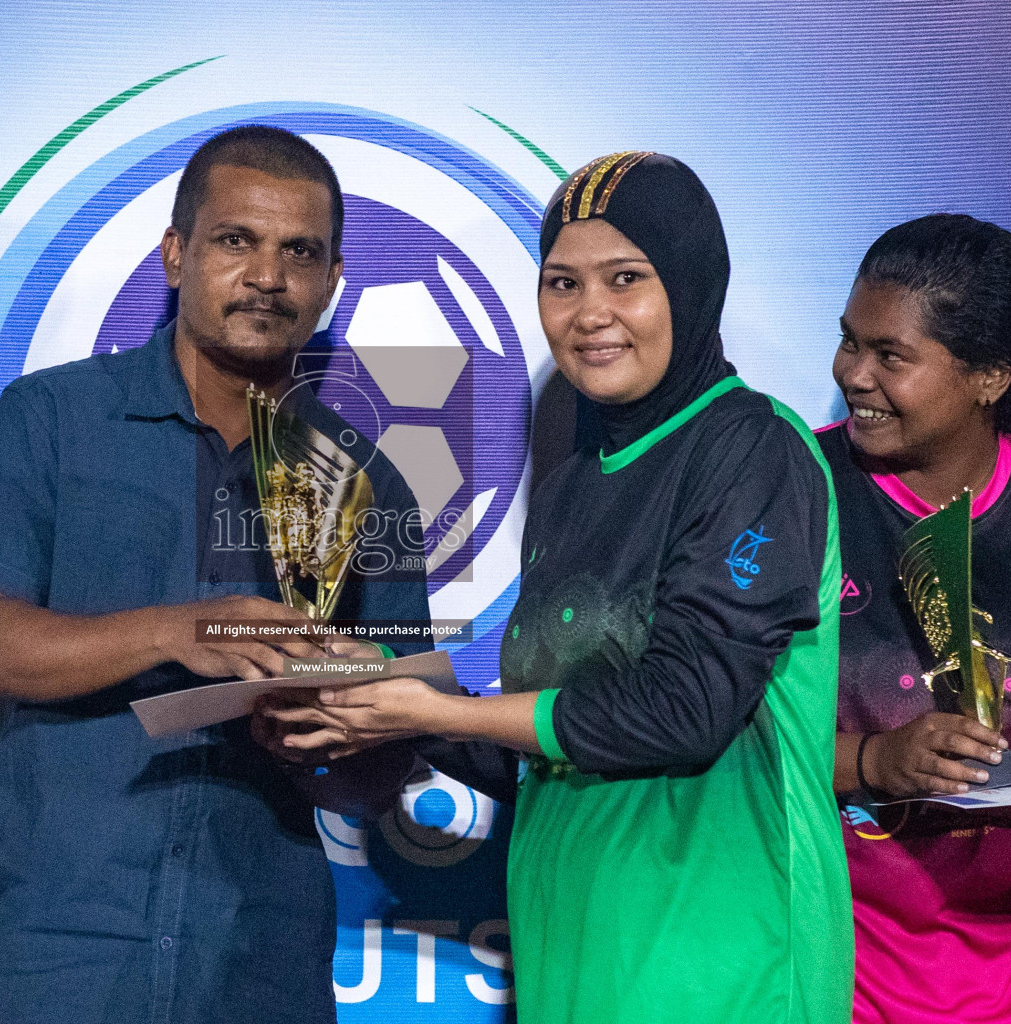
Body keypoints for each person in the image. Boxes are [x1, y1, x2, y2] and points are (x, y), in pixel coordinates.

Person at [266, 152, 853, 1023]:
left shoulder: (751, 446)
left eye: (627, 279)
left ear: (693, 284)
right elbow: (555, 737)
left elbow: (684, 709)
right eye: (562, 283)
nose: (590, 315)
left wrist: (434, 712)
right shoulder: (578, 473)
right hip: (574, 961)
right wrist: (375, 683)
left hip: (721, 965)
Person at [0, 125, 429, 1024]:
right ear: (176, 254)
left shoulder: (362, 482)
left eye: (299, 252)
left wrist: (329, 744)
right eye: (238, 241)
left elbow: (383, 773)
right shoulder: (55, 416)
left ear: (332, 283)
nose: (268, 275)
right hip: (48, 960)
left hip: (254, 967)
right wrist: (181, 631)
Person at [822, 213, 1011, 1022]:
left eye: (890, 356)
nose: (854, 375)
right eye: (850, 342)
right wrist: (877, 762)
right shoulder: (798, 494)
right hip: (840, 973)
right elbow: (725, 729)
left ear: (990, 375)